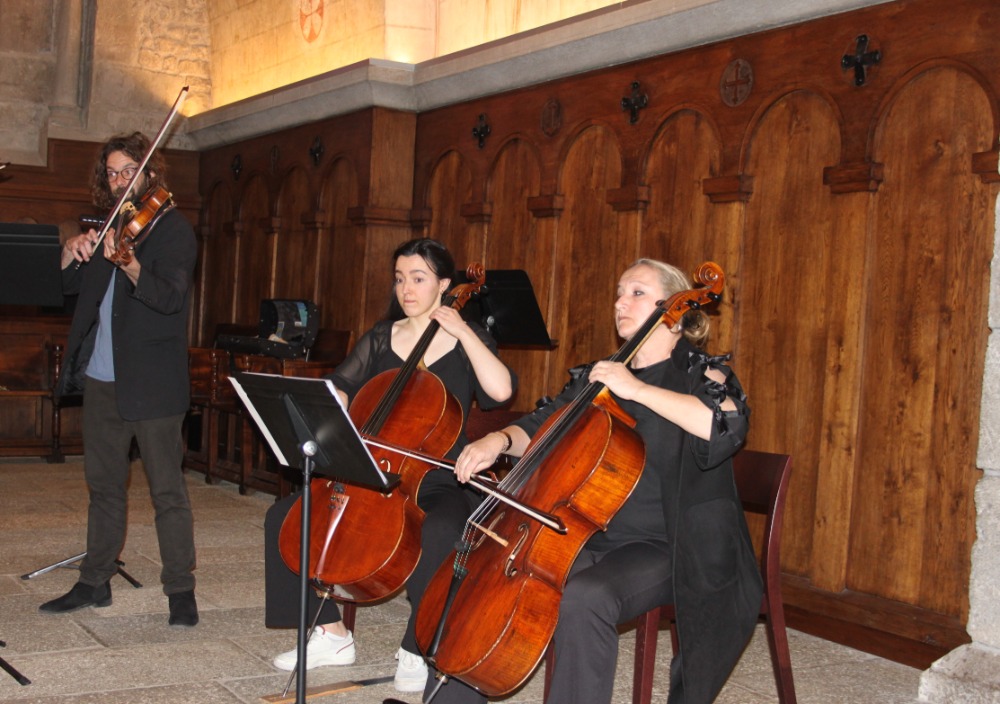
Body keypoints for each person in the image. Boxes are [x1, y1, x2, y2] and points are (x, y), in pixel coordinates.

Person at [435, 258, 762, 704]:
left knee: (586, 598)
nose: (620, 303)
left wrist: (637, 390)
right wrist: (498, 440)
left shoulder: (701, 373)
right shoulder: (602, 374)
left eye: (637, 293)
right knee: (491, 572)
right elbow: (543, 423)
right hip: (587, 530)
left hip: (670, 545)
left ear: (675, 311)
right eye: (619, 293)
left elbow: (723, 426)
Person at [263, 237, 517, 692]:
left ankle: (416, 645)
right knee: (284, 517)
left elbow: (500, 392)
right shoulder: (383, 336)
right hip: (375, 466)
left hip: (441, 472)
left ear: (444, 284)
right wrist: (332, 402)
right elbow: (342, 385)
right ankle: (331, 633)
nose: (406, 289)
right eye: (400, 279)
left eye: (418, 278)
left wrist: (462, 331)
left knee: (442, 529)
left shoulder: (468, 338)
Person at [39, 132, 200, 627]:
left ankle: (181, 590)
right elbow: (64, 290)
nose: (119, 180)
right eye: (111, 173)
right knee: (104, 488)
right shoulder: (108, 226)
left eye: (129, 170)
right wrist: (69, 252)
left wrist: (130, 264)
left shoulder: (172, 231)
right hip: (102, 379)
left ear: (149, 173)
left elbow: (170, 298)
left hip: (154, 383)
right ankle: (94, 582)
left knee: (167, 492)